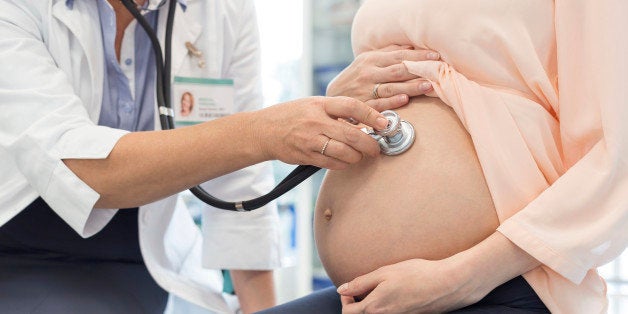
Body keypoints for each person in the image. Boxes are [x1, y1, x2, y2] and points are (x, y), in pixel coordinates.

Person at [0, 0, 394, 313]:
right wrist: (263, 131)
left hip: (134, 254)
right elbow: (81, 169)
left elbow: (241, 182)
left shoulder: (223, 9)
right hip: (16, 243)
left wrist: (262, 310)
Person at [258, 0, 627, 313]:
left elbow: (617, 151)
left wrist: (461, 278)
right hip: (366, 295)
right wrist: (341, 96)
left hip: (500, 283)